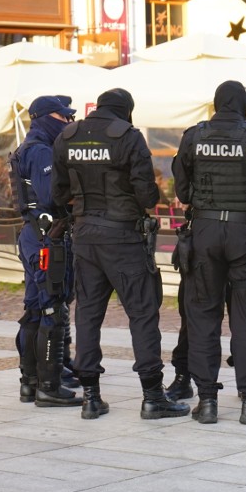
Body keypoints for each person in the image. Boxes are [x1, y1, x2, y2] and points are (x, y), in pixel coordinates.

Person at [51, 88, 190, 421]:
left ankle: (91, 397)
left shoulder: (67, 136)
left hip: (85, 237)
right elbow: (146, 194)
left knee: (87, 314)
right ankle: (153, 397)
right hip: (123, 238)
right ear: (126, 110)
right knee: (142, 314)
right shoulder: (128, 136)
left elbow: (58, 193)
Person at [171, 80, 246, 425]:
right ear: (243, 106)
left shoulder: (193, 136)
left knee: (203, 318)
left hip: (204, 233)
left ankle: (207, 401)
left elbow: (181, 188)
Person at [10, 95, 82, 408]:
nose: (67, 122)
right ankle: (48, 386)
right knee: (50, 309)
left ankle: (31, 381)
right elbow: (51, 197)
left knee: (36, 309)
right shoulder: (40, 151)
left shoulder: (30, 147)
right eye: (63, 117)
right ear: (44, 117)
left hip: (35, 234)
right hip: (44, 236)